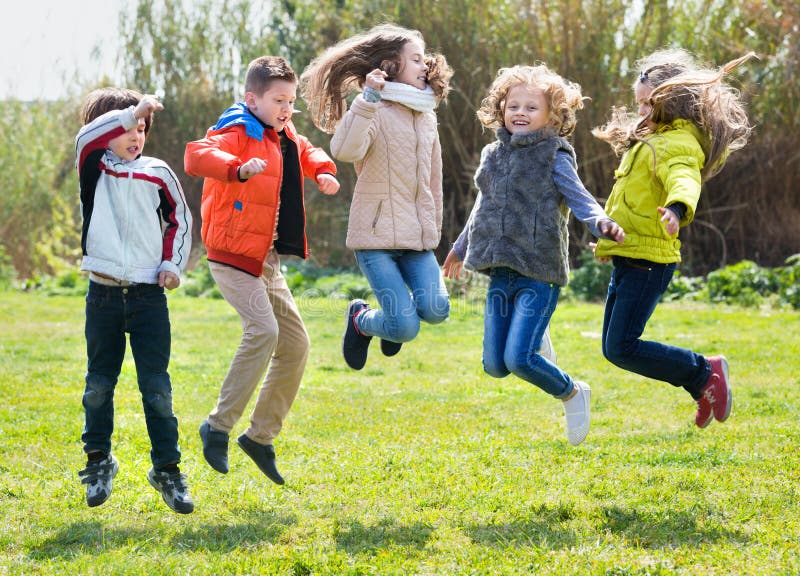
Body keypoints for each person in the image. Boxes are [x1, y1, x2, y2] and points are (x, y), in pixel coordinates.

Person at [442, 65, 625, 445]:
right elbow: (482, 206)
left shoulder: (554, 155)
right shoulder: (492, 154)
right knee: (495, 366)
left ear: (553, 117)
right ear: (501, 109)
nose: (520, 113)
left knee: (520, 360)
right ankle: (536, 339)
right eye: (513, 106)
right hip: (499, 271)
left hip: (539, 272)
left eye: (531, 107)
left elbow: (579, 198)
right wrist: (459, 248)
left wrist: (602, 223)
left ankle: (573, 392)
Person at [184, 55, 340, 484]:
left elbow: (307, 150)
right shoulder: (237, 129)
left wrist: (323, 170)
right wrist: (235, 169)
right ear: (252, 99)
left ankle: (260, 437)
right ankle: (216, 427)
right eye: (278, 100)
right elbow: (198, 155)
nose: (286, 108)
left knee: (296, 344)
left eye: (291, 101)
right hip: (232, 255)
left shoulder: (283, 132)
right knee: (264, 331)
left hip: (265, 260)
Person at [591, 49, 755, 428]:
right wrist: (611, 241)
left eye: (649, 104)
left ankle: (703, 372)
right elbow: (629, 201)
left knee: (622, 348)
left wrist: (677, 209)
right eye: (640, 105)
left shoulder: (678, 142)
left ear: (673, 101)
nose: (642, 112)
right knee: (613, 348)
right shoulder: (653, 139)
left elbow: (685, 179)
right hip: (632, 257)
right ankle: (701, 383)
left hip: (649, 264)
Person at [300, 23, 453, 371]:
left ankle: (390, 321)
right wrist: (367, 100)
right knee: (405, 326)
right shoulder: (373, 108)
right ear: (390, 65)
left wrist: (433, 232)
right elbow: (343, 148)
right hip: (376, 238)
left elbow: (433, 181)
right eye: (415, 59)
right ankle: (362, 319)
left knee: (437, 310)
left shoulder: (427, 117)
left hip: (417, 240)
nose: (424, 65)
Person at [75, 87, 194, 513]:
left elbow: (180, 220)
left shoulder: (158, 172)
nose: (135, 134)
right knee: (98, 386)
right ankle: (98, 460)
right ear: (106, 131)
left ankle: (167, 468)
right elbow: (86, 137)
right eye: (127, 127)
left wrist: (171, 265)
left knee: (157, 389)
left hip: (148, 299)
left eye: (142, 128)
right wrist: (130, 111)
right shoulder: (92, 167)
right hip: (103, 296)